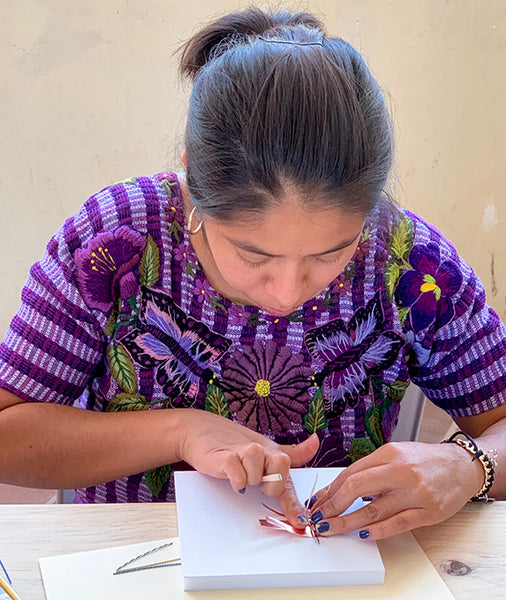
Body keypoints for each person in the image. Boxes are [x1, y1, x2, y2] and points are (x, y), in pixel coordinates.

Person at [0, 6, 504, 541]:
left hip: (337, 567)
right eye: (253, 255)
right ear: (193, 180)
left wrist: (471, 464)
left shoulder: (408, 261)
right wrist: (181, 431)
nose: (287, 293)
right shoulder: (115, 240)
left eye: (330, 254)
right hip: (127, 556)